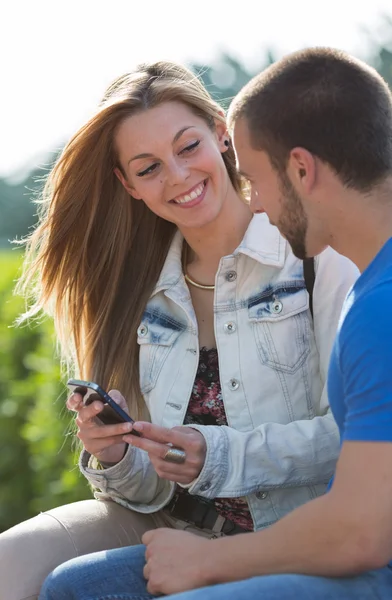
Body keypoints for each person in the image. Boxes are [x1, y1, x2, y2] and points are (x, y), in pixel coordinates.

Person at [38, 47, 392, 600]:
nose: (178, 175)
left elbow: (359, 459)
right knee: (70, 588)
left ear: (221, 133)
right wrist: (116, 453)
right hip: (195, 534)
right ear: (128, 184)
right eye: (149, 167)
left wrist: (220, 462)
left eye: (188, 147)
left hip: (299, 535)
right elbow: (153, 489)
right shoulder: (145, 293)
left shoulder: (323, 256)